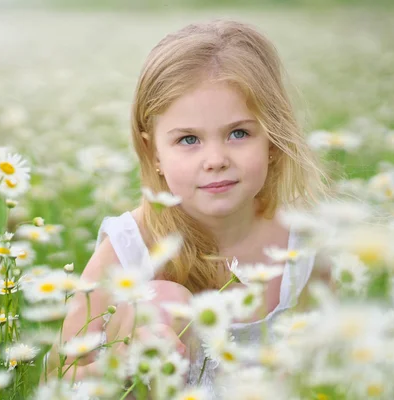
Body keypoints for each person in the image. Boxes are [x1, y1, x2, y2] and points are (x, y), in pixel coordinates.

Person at [47, 18, 329, 392]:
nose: (215, 159)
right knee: (161, 300)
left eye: (239, 133)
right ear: (153, 152)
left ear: (272, 142)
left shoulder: (301, 244)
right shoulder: (130, 248)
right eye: (188, 140)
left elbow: (333, 357)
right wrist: (123, 364)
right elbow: (60, 374)